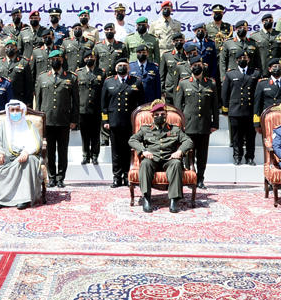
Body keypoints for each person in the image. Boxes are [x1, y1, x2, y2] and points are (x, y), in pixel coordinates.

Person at [128, 100, 193, 214]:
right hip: (152, 159)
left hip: (169, 159)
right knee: (145, 163)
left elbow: (188, 141)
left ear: (166, 115)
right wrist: (143, 151)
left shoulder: (175, 129)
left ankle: (174, 200)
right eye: (157, 114)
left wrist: (180, 151)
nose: (160, 116)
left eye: (163, 114)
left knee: (176, 163)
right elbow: (132, 140)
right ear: (152, 116)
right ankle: (146, 198)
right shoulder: (145, 129)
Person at [0, 100, 44, 209]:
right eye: (12, 110)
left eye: (17, 110)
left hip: (25, 156)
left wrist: (26, 152)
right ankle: (0, 199)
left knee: (30, 161)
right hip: (6, 155)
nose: (15, 112)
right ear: (8, 111)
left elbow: (36, 142)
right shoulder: (2, 125)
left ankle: (23, 199)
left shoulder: (29, 125)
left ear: (22, 111)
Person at [35, 50, 78, 188]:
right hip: (47, 120)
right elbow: (38, 101)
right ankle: (52, 177)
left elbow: (75, 101)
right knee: (49, 151)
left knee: (63, 151)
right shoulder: (42, 77)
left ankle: (60, 178)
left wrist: (74, 120)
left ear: (62, 60)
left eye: (58, 58)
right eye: (53, 59)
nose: (56, 61)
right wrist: (39, 119)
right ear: (49, 61)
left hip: (64, 120)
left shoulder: (71, 77)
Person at [174, 56, 219, 189]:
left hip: (204, 124)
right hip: (188, 125)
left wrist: (215, 124)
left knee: (202, 154)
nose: (197, 67)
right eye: (194, 65)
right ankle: (190, 176)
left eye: (199, 64)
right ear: (190, 67)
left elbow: (214, 106)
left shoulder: (211, 83)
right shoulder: (184, 83)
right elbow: (178, 106)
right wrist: (179, 124)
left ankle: (200, 178)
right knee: (188, 153)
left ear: (203, 66)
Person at [101, 58, 144, 187]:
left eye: (124, 65)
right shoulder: (108, 82)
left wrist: (139, 120)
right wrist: (105, 120)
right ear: (115, 68)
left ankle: (127, 175)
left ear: (129, 68)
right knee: (116, 151)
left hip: (130, 122)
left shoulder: (136, 81)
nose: (122, 67)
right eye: (119, 65)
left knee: (128, 150)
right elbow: (104, 104)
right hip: (114, 121)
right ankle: (116, 177)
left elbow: (141, 103)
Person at [222, 51, 260, 165]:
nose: (243, 59)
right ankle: (237, 157)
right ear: (236, 60)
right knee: (236, 136)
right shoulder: (230, 74)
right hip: (235, 110)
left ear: (248, 59)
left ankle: (250, 157)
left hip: (250, 110)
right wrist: (225, 108)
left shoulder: (255, 73)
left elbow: (258, 93)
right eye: (240, 57)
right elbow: (225, 93)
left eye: (245, 57)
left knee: (250, 136)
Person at [75, 51, 104, 165]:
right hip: (83, 108)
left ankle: (95, 155)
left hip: (96, 108)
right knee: (85, 134)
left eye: (91, 57)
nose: (89, 59)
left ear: (95, 58)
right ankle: (85, 155)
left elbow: (104, 91)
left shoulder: (101, 72)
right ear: (84, 59)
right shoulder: (79, 73)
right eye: (87, 57)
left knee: (96, 134)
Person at [253, 58, 281, 128]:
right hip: (268, 117)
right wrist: (257, 123)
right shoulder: (262, 84)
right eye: (275, 66)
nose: (277, 68)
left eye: (280, 66)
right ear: (269, 69)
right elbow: (257, 104)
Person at [0, 38, 34, 108]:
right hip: (2, 98)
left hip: (18, 98)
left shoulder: (23, 62)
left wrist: (28, 101)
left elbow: (29, 84)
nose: (9, 48)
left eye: (12, 47)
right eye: (7, 47)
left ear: (16, 49)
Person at [160, 33, 191, 104]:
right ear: (173, 42)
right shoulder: (166, 55)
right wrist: (162, 91)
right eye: (176, 41)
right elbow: (162, 74)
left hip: (184, 88)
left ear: (184, 41)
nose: (179, 42)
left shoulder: (188, 54)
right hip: (170, 89)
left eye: (181, 40)